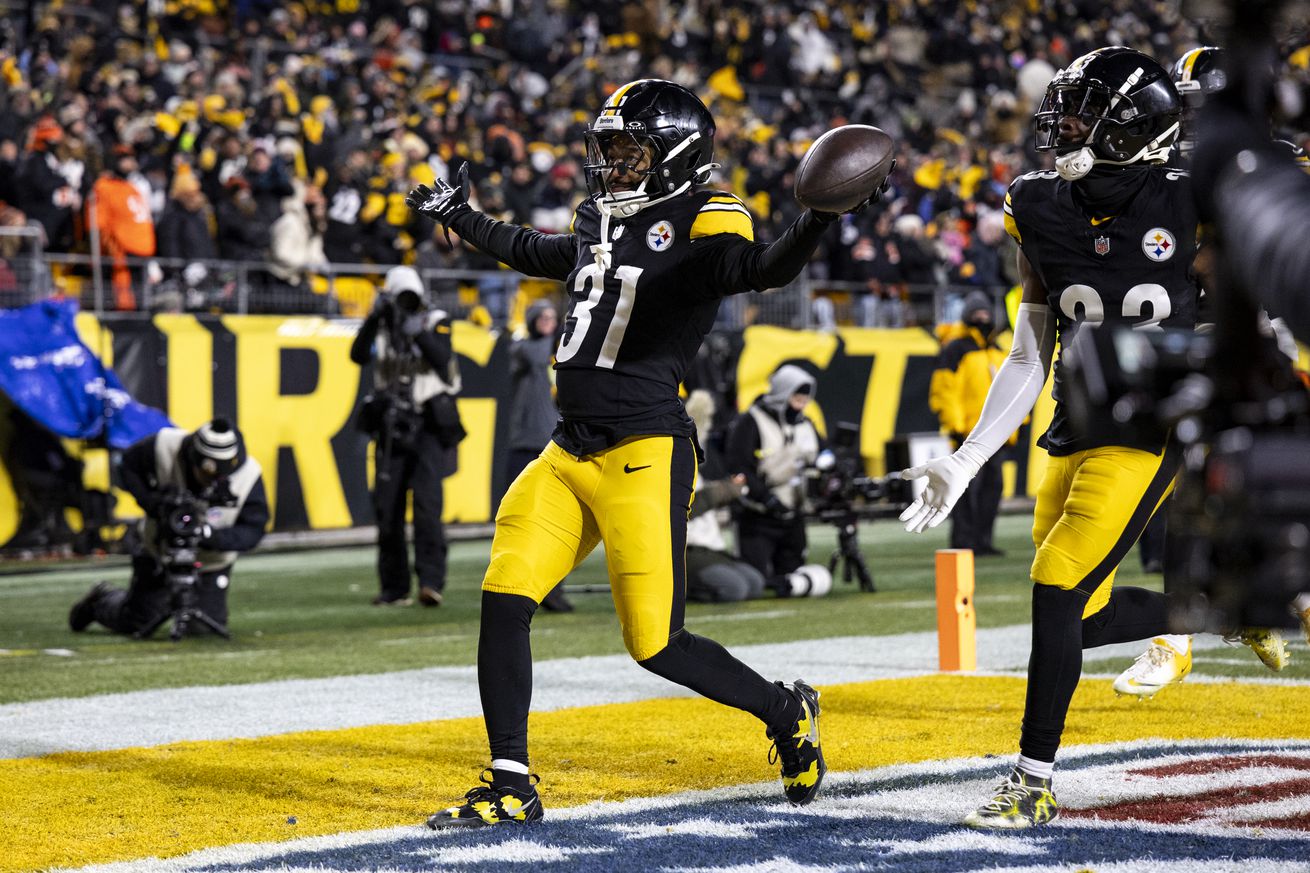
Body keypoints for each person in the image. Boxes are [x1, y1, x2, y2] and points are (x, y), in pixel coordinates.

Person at [406, 78, 884, 827]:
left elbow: (758, 268)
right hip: (569, 451)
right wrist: (459, 216)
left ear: (676, 154)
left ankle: (785, 709)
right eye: (609, 150)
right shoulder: (599, 216)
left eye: (630, 151)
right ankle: (511, 782)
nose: (614, 165)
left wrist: (816, 221)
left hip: (644, 449)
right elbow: (538, 251)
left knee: (656, 642)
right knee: (504, 599)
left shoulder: (707, 211)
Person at [898, 47, 1284, 830]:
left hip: (1152, 425)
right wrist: (968, 458)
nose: (1063, 126)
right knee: (1081, 615)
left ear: (1133, 127)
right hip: (1075, 420)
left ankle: (1033, 781)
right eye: (1063, 111)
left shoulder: (1192, 198)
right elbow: (1028, 348)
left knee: (1056, 577)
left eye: (1083, 114)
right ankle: (1211, 608)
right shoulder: (1036, 202)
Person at [68, 419, 268, 637]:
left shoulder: (248, 476)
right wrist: (153, 503)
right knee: (136, 621)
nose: (209, 481)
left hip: (211, 561)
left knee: (203, 628)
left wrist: (210, 536)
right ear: (193, 458)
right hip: (159, 548)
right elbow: (126, 466)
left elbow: (254, 530)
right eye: (205, 474)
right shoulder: (165, 446)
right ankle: (101, 601)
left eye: (216, 478)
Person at [350, 265, 463, 608]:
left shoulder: (436, 320)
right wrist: (374, 317)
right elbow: (357, 355)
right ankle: (394, 587)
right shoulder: (382, 325)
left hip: (428, 422)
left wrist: (419, 333)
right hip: (391, 424)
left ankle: (431, 582)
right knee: (388, 510)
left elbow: (443, 360)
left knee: (428, 507)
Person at [725, 364, 825, 596]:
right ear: (783, 394)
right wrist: (767, 498)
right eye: (797, 399)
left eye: (804, 400)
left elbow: (823, 454)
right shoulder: (751, 421)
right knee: (756, 582)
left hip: (793, 514)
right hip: (758, 515)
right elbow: (739, 467)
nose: (801, 406)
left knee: (793, 581)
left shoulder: (806, 424)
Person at [928, 290, 1014, 556]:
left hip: (994, 433)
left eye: (985, 312)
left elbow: (1010, 390)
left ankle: (983, 540)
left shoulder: (997, 350)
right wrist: (955, 425)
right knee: (965, 489)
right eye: (977, 313)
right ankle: (963, 540)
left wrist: (1016, 423)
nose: (982, 317)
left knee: (992, 488)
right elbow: (945, 390)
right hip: (967, 433)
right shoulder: (956, 348)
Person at [505, 299, 572, 612]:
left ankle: (552, 589)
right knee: (523, 521)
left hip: (551, 444)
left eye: (551, 316)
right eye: (541, 317)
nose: (547, 321)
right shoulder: (525, 347)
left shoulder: (553, 348)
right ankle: (522, 585)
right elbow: (533, 356)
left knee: (554, 522)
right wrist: (559, 331)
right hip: (526, 445)